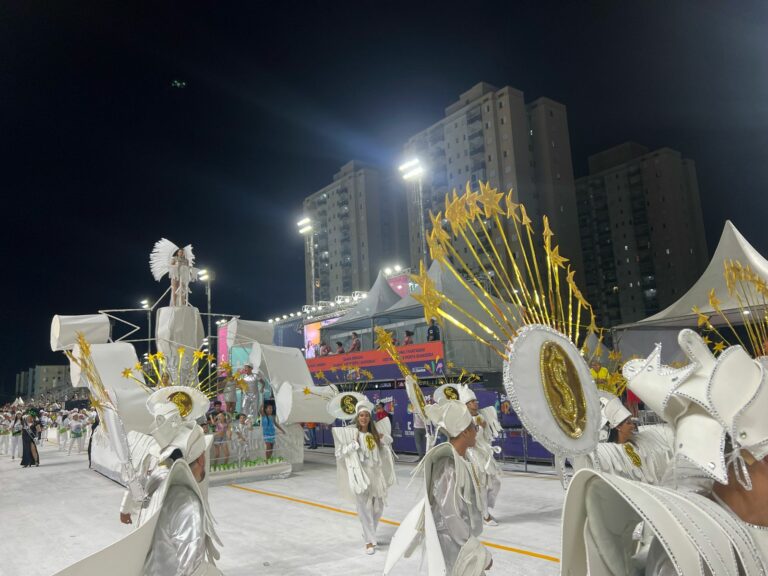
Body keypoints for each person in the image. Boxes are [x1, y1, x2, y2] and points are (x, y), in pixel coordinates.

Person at [384, 400, 492, 575]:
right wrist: (476, 551)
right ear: (464, 432)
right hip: (452, 542)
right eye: (474, 428)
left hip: (458, 539)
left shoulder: (460, 460)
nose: (476, 431)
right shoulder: (448, 466)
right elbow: (451, 514)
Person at [334, 397, 395, 555]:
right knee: (363, 509)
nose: (364, 418)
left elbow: (389, 441)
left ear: (370, 417)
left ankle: (370, 534)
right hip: (360, 476)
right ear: (357, 417)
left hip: (376, 474)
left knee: (378, 507)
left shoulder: (374, 434)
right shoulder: (351, 434)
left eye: (367, 415)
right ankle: (369, 541)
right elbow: (339, 454)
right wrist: (353, 445)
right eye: (361, 415)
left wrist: (383, 438)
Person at [462, 387, 503, 526]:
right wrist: (475, 427)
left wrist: (484, 427)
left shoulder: (482, 416)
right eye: (472, 402)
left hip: (485, 453)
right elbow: (465, 440)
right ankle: (485, 515)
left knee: (496, 481)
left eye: (475, 401)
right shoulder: (462, 420)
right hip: (472, 454)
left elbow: (486, 438)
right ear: (465, 405)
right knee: (482, 485)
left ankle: (483, 508)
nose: (475, 403)